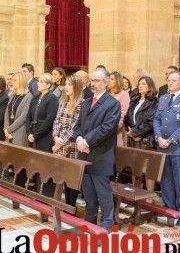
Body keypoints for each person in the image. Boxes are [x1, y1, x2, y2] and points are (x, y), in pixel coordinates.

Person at [73, 69, 120, 231]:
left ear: (106, 83)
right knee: (88, 192)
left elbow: (107, 128)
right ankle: (90, 219)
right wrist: (79, 138)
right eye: (92, 80)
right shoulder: (86, 102)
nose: (93, 84)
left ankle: (107, 222)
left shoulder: (112, 104)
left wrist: (87, 140)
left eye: (97, 80)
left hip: (101, 154)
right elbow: (77, 125)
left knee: (103, 192)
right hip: (84, 153)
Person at [153, 71, 180, 226]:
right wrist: (159, 137)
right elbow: (156, 119)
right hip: (163, 145)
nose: (170, 83)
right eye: (168, 80)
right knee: (166, 180)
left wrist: (170, 140)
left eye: (173, 80)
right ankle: (169, 207)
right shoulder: (163, 98)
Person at [52, 74, 84, 207]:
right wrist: (55, 137)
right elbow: (56, 121)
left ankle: (71, 205)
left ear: (76, 87)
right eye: (66, 84)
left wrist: (60, 142)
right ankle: (65, 204)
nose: (66, 87)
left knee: (71, 176)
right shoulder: (63, 102)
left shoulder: (81, 104)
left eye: (69, 85)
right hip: (59, 143)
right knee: (62, 175)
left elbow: (74, 126)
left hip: (71, 145)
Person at [124, 76, 159, 198]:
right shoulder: (134, 100)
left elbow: (151, 121)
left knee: (148, 169)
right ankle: (136, 193)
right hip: (132, 138)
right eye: (139, 84)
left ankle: (149, 196)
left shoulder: (154, 102)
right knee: (135, 167)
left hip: (146, 139)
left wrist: (136, 133)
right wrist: (129, 130)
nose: (140, 86)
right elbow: (127, 117)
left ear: (150, 86)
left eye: (143, 84)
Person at [27, 73, 59, 152]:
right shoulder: (35, 98)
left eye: (41, 82)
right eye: (38, 81)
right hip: (31, 135)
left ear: (48, 85)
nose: (38, 83)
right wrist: (29, 133)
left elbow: (49, 120)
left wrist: (36, 135)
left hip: (44, 137)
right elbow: (28, 117)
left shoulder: (52, 98)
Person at [4, 71, 33, 146]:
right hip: (8, 132)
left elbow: (23, 117)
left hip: (20, 132)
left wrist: (9, 129)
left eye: (15, 80)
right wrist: (6, 129)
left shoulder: (28, 96)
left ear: (21, 81)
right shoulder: (13, 95)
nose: (12, 82)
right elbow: (7, 113)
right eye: (11, 80)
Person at [108, 71, 130, 146]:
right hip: (104, 132)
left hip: (117, 133)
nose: (108, 81)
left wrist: (110, 130)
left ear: (117, 81)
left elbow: (123, 115)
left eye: (112, 79)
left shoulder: (124, 94)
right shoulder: (107, 95)